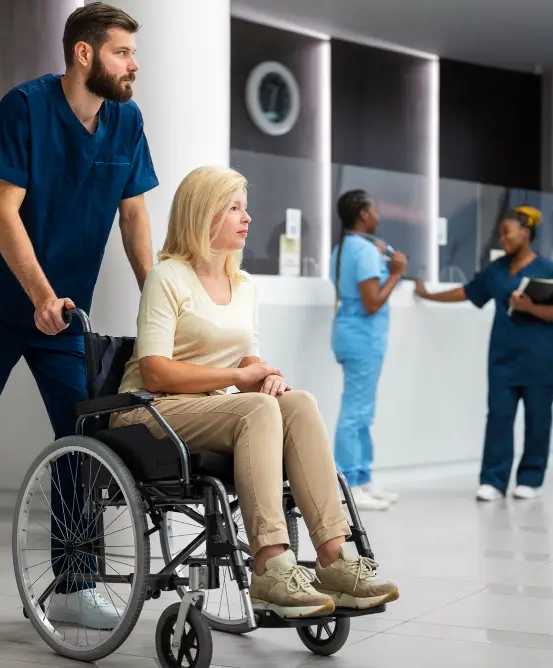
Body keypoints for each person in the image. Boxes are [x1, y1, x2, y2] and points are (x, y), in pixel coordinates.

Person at [0, 3, 158, 626]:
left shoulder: (127, 121)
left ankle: (75, 582)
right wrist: (38, 295)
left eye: (132, 54)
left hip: (64, 312)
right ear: (84, 53)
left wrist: (158, 300)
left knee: (84, 435)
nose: (133, 65)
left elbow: (134, 215)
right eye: (122, 52)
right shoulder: (24, 107)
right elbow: (3, 210)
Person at [110, 166, 400, 619]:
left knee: (297, 402)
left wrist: (263, 376)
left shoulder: (244, 285)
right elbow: (154, 372)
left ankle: (335, 558)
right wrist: (243, 380)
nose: (247, 218)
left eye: (245, 208)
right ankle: (270, 567)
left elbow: (247, 362)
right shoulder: (167, 277)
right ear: (202, 214)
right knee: (258, 410)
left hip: (212, 408)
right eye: (234, 208)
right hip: (150, 411)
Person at [414, 206, 553, 502]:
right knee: (498, 417)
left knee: (538, 420)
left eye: (507, 233)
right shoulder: (497, 270)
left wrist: (530, 307)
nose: (502, 239)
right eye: (500, 234)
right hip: (503, 359)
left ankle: (530, 479)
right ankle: (493, 480)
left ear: (526, 232)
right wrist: (428, 295)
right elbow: (468, 292)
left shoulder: (548, 270)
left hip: (541, 359)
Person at [328, 190, 406, 511]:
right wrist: (397, 272)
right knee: (355, 412)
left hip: (353, 334)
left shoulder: (346, 247)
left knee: (363, 410)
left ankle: (362, 478)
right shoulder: (363, 251)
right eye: (374, 209)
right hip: (362, 338)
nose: (378, 215)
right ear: (363, 214)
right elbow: (373, 302)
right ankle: (347, 483)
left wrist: (385, 262)